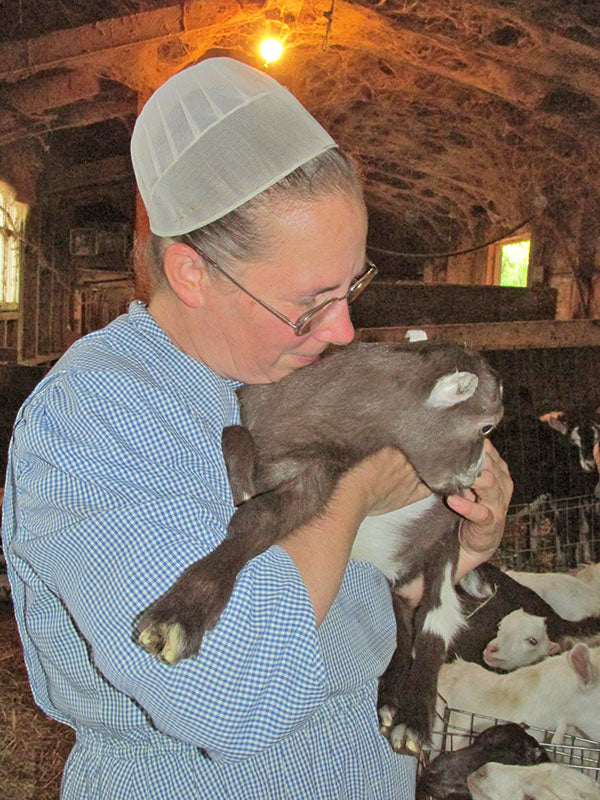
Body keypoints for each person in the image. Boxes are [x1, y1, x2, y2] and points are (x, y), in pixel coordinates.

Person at [1, 58, 513, 799]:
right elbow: (224, 690)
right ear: (192, 274)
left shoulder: (290, 374)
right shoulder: (99, 417)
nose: (342, 329)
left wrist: (445, 550)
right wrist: (363, 483)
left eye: (353, 286)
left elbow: (340, 601)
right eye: (310, 302)